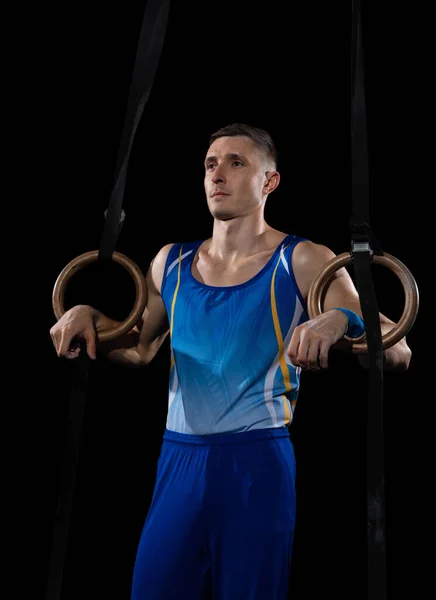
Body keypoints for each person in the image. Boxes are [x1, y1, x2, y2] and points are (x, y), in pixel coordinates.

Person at [50, 123, 412, 599]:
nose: (217, 173)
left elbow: (399, 351)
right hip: (177, 462)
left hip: (255, 465)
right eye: (210, 163)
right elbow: (138, 347)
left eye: (236, 162)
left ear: (269, 181)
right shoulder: (170, 263)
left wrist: (342, 319)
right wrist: (87, 313)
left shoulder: (302, 259)